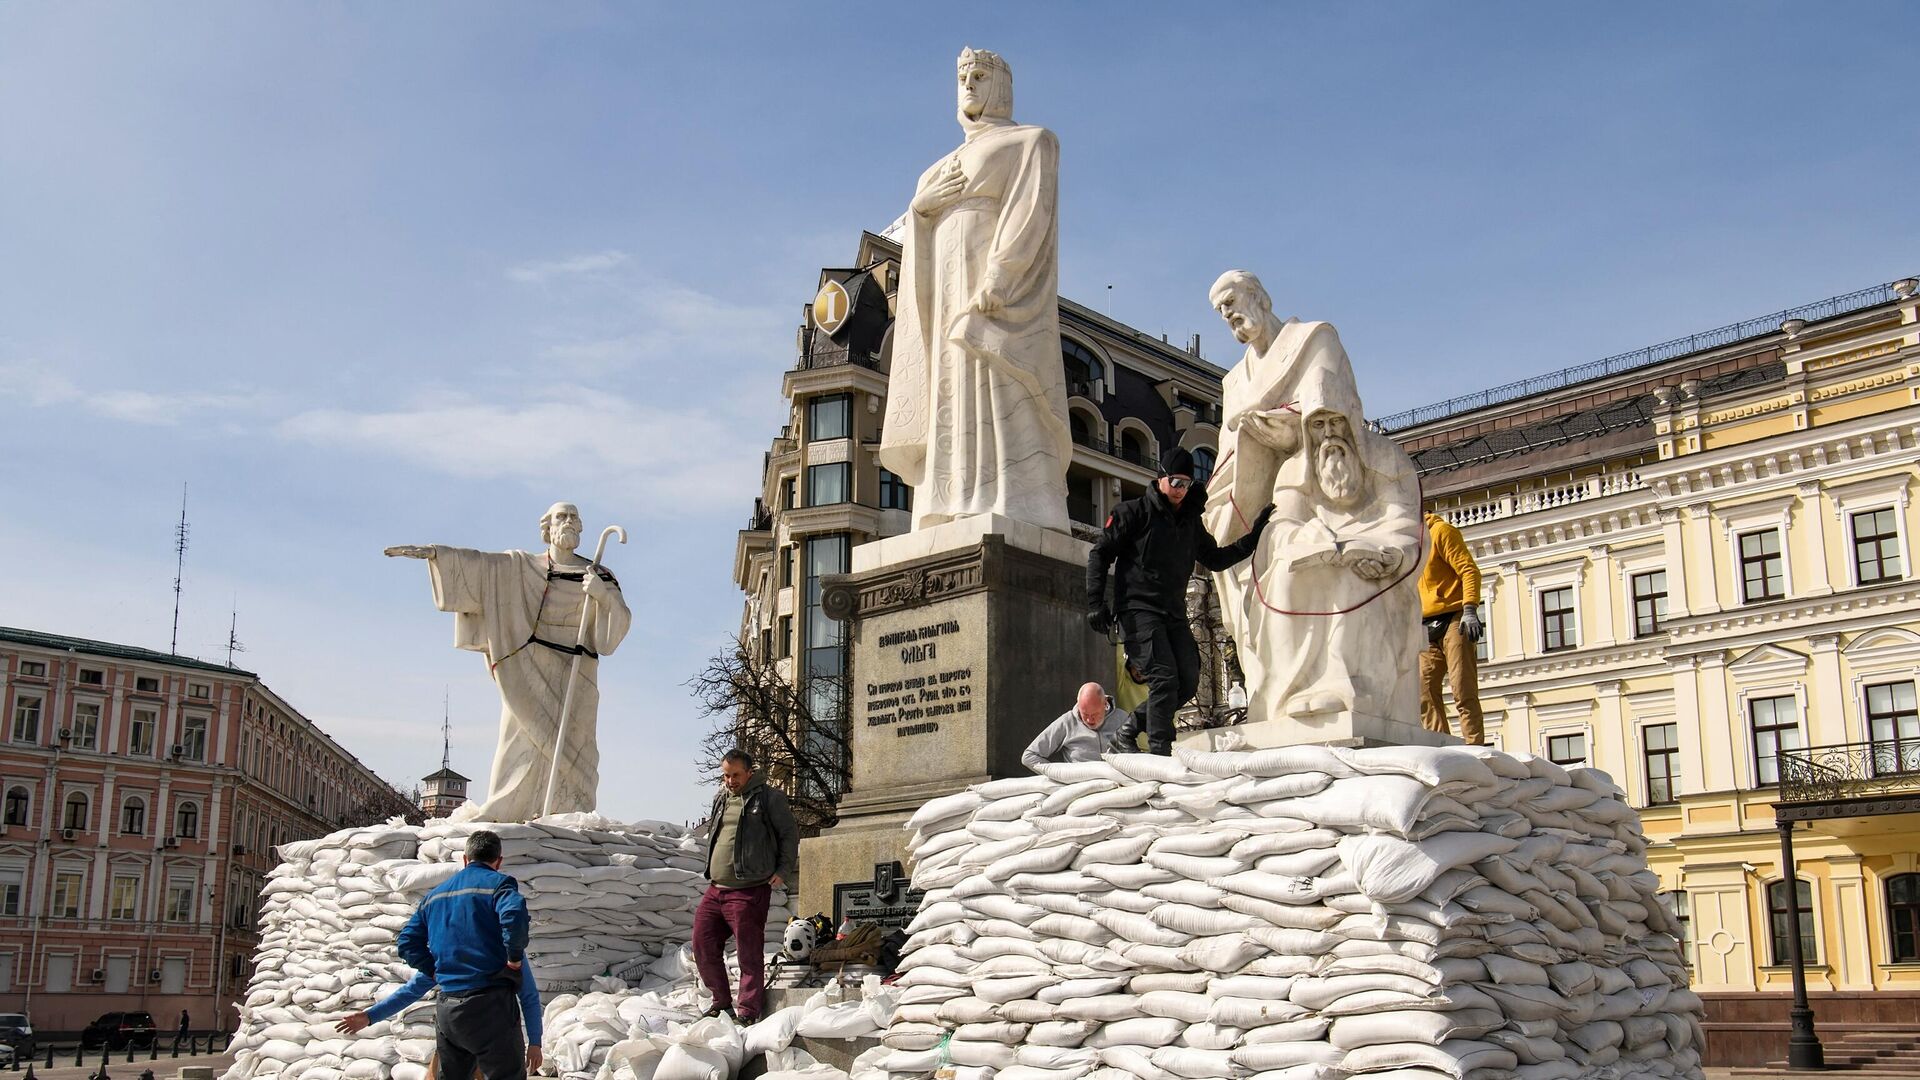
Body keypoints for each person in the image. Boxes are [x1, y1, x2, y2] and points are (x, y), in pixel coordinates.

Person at [879, 47, 1074, 532]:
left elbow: (1031, 215)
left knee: (998, 379)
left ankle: (1018, 499)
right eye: (962, 76)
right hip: (944, 287)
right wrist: (920, 211)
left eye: (980, 75)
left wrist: (999, 280)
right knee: (950, 384)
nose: (969, 83)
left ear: (1001, 85)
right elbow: (919, 235)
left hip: (992, 292)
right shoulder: (934, 170)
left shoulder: (1031, 141)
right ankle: (948, 498)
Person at [386, 502, 632, 820]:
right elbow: (483, 567)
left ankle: (567, 812)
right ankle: (509, 812)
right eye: (561, 516)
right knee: (519, 742)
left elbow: (613, 633)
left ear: (581, 527)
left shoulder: (599, 575)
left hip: (577, 671)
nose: (568, 521)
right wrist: (437, 555)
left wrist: (603, 596)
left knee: (577, 747)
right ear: (547, 527)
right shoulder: (520, 566)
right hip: (527, 667)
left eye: (574, 517)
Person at [1087, 447, 1271, 755]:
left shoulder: (1189, 523)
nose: (1180, 490)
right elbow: (1100, 554)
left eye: (1186, 484)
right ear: (1160, 477)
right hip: (1137, 609)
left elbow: (1215, 558)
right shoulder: (1133, 513)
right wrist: (1095, 601)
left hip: (1173, 613)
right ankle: (1161, 751)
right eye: (1175, 482)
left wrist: (1253, 537)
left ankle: (1129, 729)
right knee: (1164, 676)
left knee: (1187, 681)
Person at [395, 830, 531, 1080]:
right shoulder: (500, 884)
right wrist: (514, 958)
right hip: (490, 1005)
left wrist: (434, 969)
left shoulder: (435, 895)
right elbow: (513, 916)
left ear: (465, 859)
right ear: (498, 861)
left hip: (449, 1008)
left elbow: (406, 942)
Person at [695, 749, 799, 1024]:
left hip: (749, 889)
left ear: (750, 772)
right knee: (702, 945)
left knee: (748, 953)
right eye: (726, 775)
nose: (730, 781)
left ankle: (748, 1011)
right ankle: (721, 1001)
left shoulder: (768, 798)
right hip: (716, 888)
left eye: (735, 775)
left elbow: (789, 834)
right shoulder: (721, 798)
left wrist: (782, 870)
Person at [334, 957, 545, 1076]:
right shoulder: (501, 949)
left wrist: (371, 1016)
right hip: (491, 1027)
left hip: (455, 1023)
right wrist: (371, 1016)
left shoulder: (450, 951)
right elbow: (528, 996)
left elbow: (413, 990)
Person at [1419, 512, 1485, 743]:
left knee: (1462, 688)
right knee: (1423, 690)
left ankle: (1474, 745)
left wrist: (1470, 609)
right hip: (1425, 625)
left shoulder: (1441, 532)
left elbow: (1469, 570)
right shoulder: (1406, 544)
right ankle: (1441, 744)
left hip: (1455, 617)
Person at [1021, 682, 1118, 770]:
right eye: (1085, 714)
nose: (1089, 720)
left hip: (1118, 785)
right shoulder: (1067, 722)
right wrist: (1060, 774)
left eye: (1094, 715)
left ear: (1105, 703)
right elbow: (1029, 756)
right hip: (1079, 785)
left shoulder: (1122, 719)